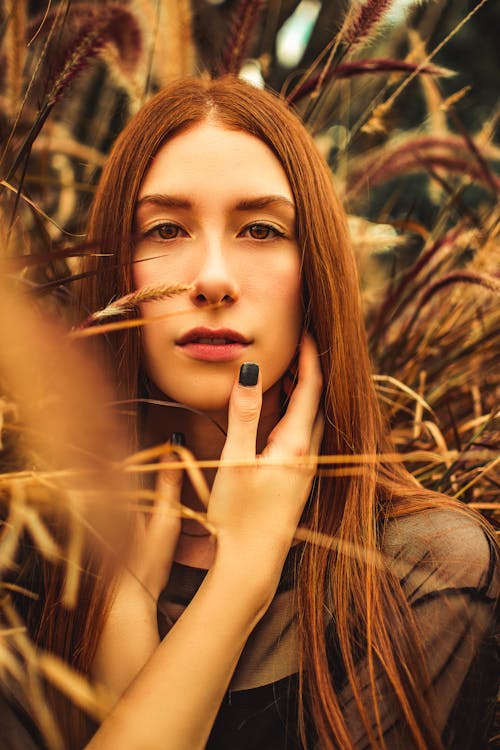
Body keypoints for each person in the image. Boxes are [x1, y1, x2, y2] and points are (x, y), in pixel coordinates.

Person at [2, 76, 498, 750]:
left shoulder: (423, 571)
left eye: (261, 229)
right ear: (117, 271)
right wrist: (120, 618)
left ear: (316, 269)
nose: (211, 278)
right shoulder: (25, 563)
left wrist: (239, 584)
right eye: (166, 228)